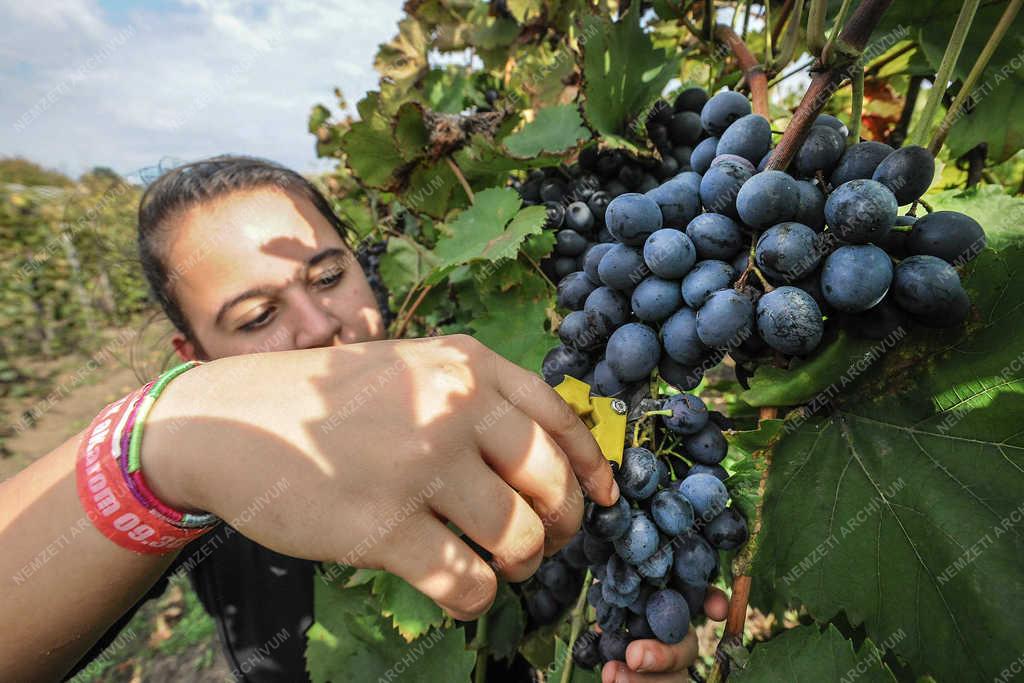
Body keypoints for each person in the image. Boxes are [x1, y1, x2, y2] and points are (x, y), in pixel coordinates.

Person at [0, 156, 725, 683]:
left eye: (327, 275)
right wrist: (172, 443)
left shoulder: (484, 412)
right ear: (189, 357)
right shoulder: (199, 507)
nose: (319, 325)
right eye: (256, 316)